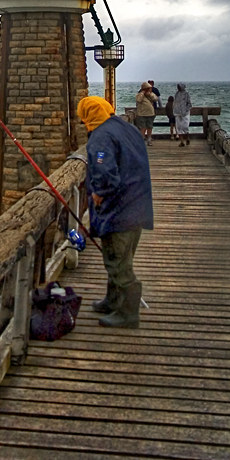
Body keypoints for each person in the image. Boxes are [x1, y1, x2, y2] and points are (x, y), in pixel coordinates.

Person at [76, 96, 154, 329]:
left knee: (118, 262)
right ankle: (113, 300)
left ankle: (128, 314)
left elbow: (104, 171)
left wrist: (98, 192)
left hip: (119, 211)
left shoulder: (100, 136)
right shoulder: (127, 128)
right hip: (138, 205)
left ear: (88, 115)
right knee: (120, 258)